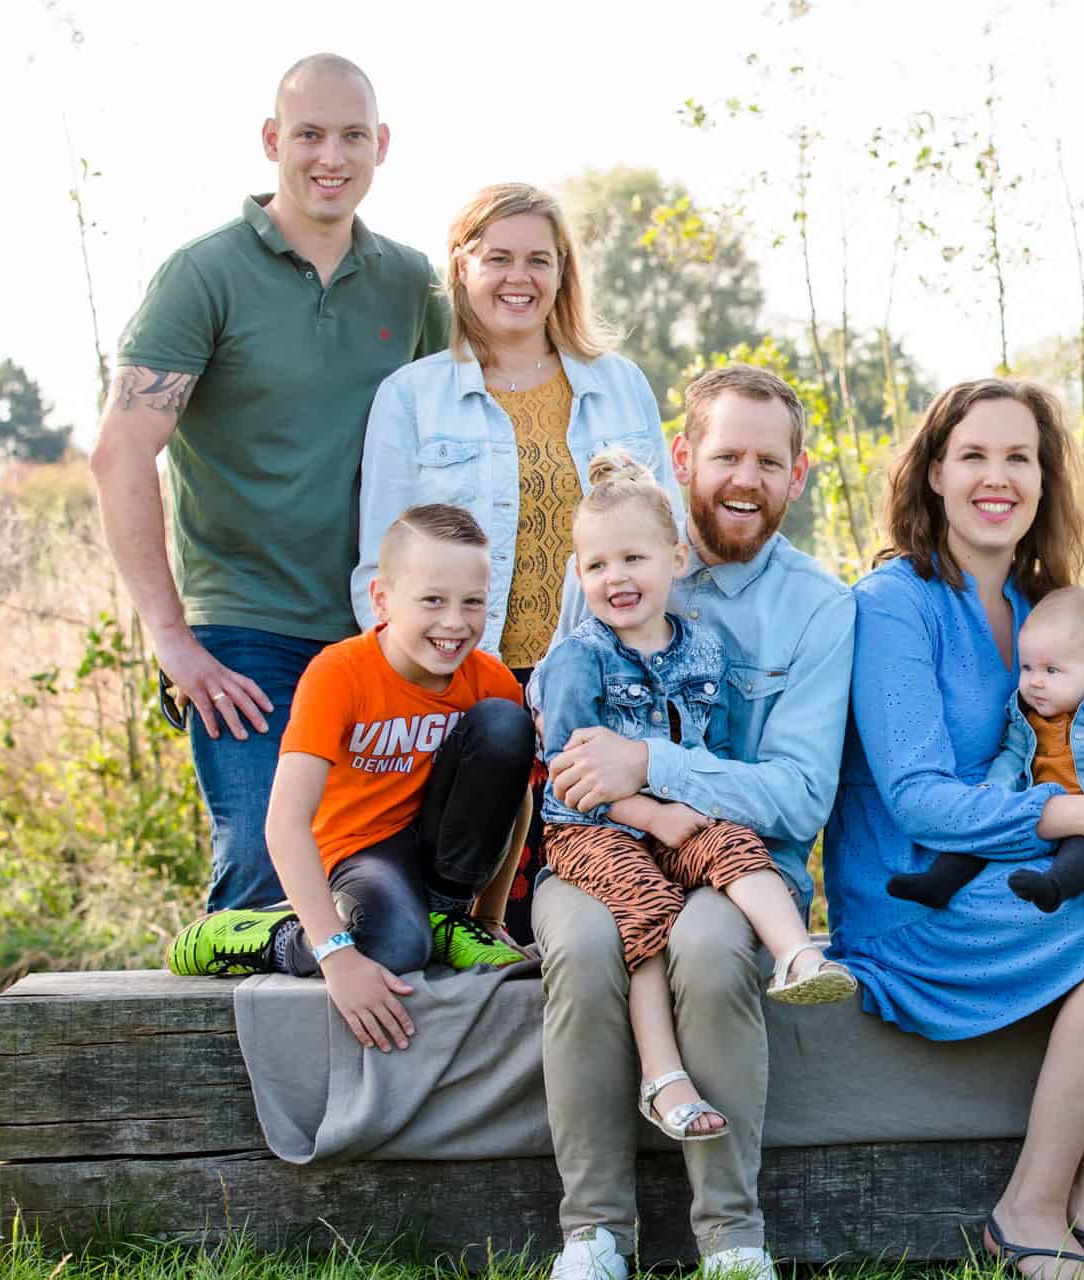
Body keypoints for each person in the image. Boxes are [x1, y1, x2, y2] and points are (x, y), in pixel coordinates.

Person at [822, 378, 1084, 1280]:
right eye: (973, 454)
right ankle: (1027, 1207)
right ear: (934, 472)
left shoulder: (1046, 607)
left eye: (1019, 457)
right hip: (915, 890)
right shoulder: (893, 603)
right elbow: (918, 800)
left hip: (1031, 859)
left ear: (1044, 479)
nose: (998, 477)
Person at [93, 53, 448, 912]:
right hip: (245, 635)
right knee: (261, 871)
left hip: (382, 632)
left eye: (352, 135)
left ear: (383, 145)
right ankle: (223, 1044)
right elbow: (119, 455)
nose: (332, 156)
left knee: (395, 887)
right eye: (310, 134)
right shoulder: (204, 275)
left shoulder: (411, 280)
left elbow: (455, 440)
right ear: (271, 141)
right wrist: (172, 639)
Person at [531, 366, 854, 1280]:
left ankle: (732, 1238)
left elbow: (797, 799)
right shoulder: (608, 555)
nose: (744, 478)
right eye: (724, 456)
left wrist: (656, 767)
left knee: (710, 952)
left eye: (767, 459)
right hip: (595, 837)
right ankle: (594, 1234)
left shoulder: (820, 610)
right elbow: (568, 739)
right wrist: (629, 791)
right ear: (684, 459)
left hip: (734, 863)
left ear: (798, 473)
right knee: (587, 944)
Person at [353, 181, 678, 937]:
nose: (518, 278)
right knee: (469, 919)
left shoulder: (618, 387)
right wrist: (406, 695)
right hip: (466, 689)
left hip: (598, 685)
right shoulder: (412, 398)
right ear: (461, 267)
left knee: (595, 910)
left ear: (563, 270)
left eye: (538, 259)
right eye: (496, 257)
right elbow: (379, 570)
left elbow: (663, 543)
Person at [165, 505, 536, 1056]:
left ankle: (444, 918)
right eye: (432, 600)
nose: (455, 623)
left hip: (439, 860)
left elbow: (518, 799)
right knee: (392, 948)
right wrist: (334, 955)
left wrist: (488, 914)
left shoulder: (488, 679)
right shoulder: (340, 675)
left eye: (472, 602)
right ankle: (269, 934)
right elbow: (285, 823)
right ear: (382, 601)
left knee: (508, 725)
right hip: (359, 853)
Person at [884, 587, 1084, 913]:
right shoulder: (1026, 718)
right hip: (1037, 816)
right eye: (1027, 668)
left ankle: (1053, 887)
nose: (1035, 682)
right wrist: (994, 791)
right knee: (982, 841)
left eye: (1051, 670)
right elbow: (1011, 758)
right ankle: (937, 883)